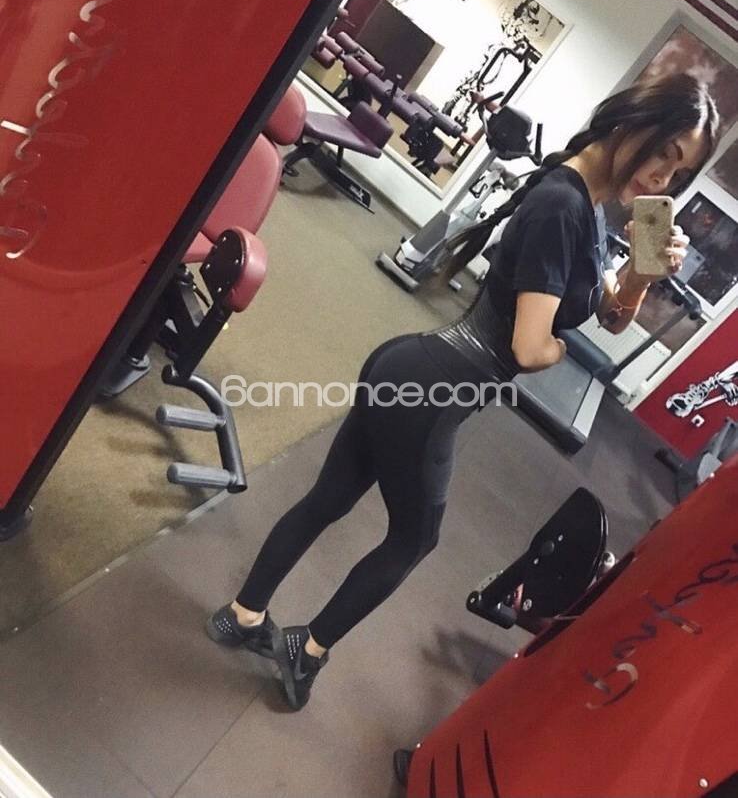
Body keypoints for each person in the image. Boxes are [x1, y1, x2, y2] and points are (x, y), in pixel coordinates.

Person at [206, 73, 719, 710]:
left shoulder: (585, 204)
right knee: (413, 540)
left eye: (680, 170)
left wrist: (640, 274)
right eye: (666, 151)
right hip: (435, 392)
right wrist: (561, 349)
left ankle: (243, 615)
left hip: (408, 367)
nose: (665, 176)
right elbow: (530, 349)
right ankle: (305, 651)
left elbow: (611, 313)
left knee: (329, 498)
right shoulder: (563, 206)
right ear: (634, 120)